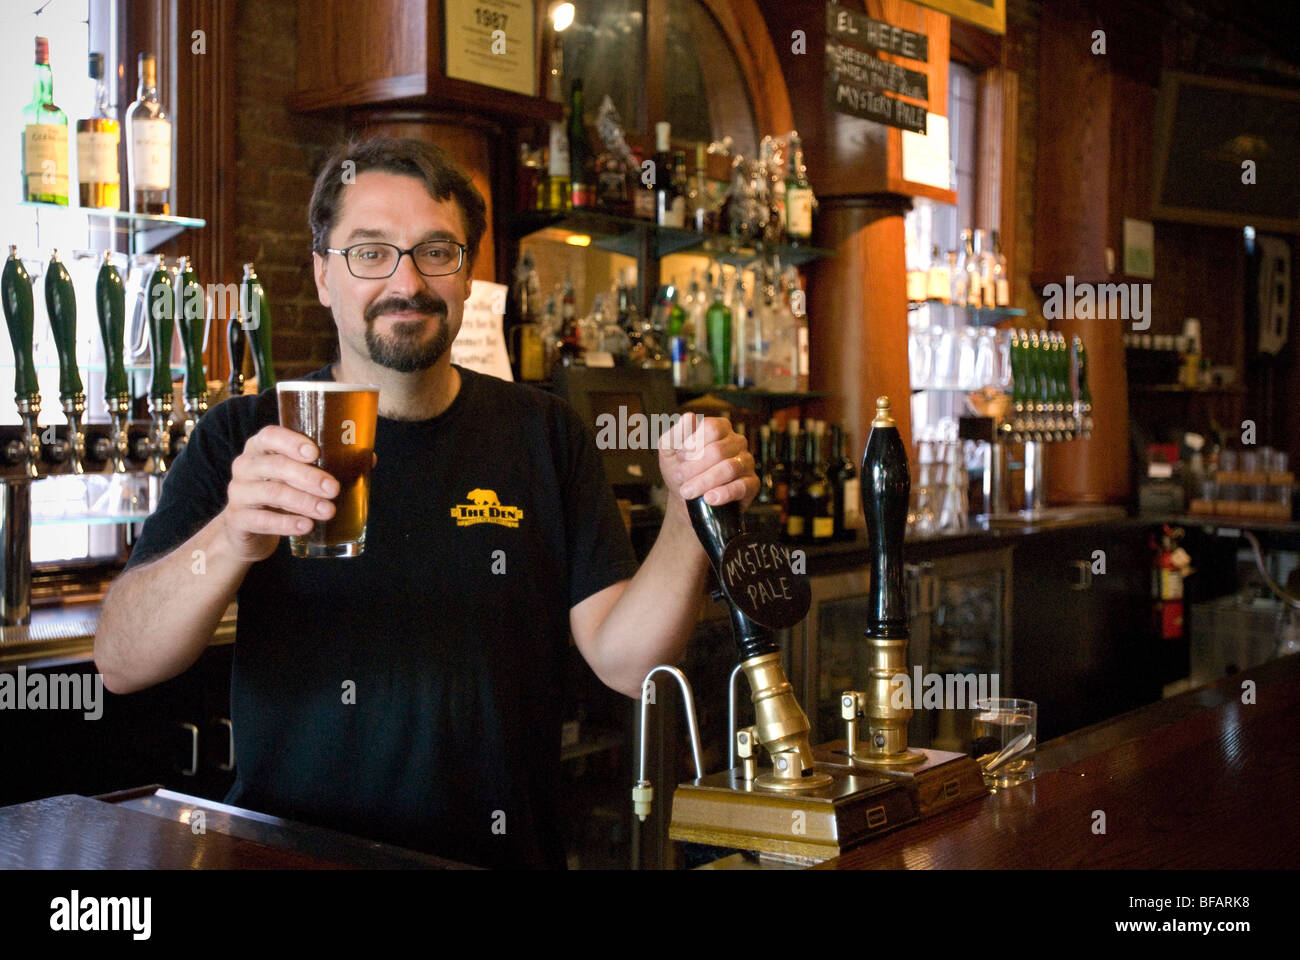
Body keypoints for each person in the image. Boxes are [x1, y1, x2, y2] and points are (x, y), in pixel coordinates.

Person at [94, 137, 757, 869]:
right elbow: (121, 661)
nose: (406, 280)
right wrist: (230, 541)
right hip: (294, 860)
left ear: (468, 274)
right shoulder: (244, 436)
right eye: (370, 252)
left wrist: (691, 514)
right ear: (322, 274)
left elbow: (629, 663)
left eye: (436, 251)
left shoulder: (543, 433)